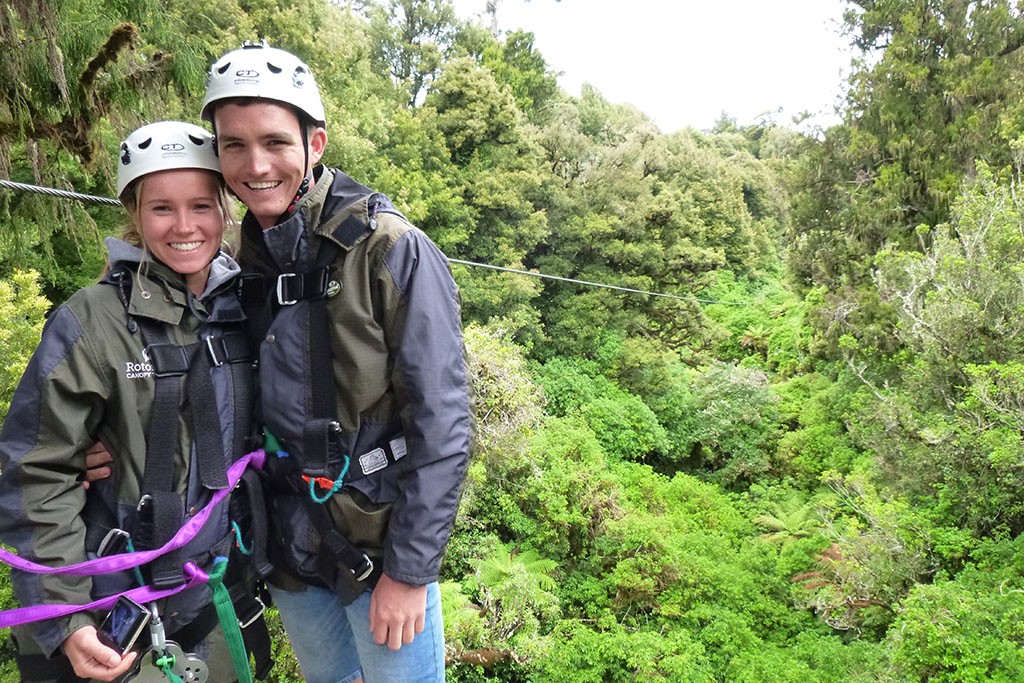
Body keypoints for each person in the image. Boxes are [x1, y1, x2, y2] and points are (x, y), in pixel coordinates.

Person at [200, 40, 472, 683]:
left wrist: (410, 572)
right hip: (292, 549)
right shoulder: (242, 261)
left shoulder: (389, 249)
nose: (255, 164)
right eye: (233, 145)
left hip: (377, 550)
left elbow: (443, 422)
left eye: (275, 142)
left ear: (314, 145)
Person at [0, 121, 262, 682]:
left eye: (202, 205)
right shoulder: (92, 321)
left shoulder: (244, 308)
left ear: (225, 209)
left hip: (212, 599)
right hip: (106, 614)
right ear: (135, 216)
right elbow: (34, 468)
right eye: (162, 208)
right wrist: (66, 616)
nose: (185, 226)